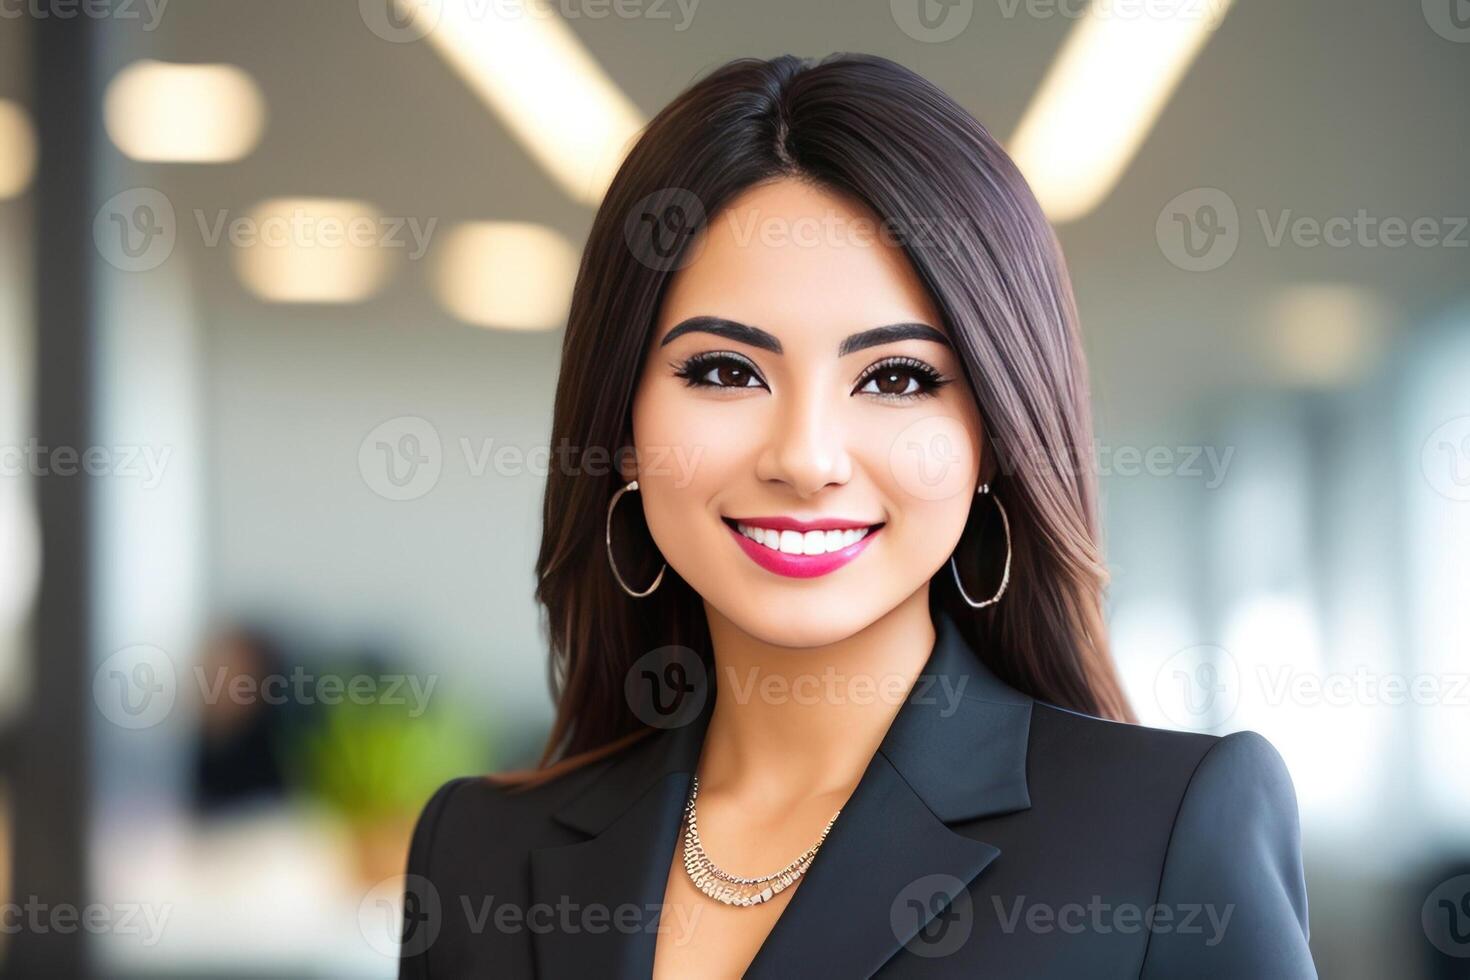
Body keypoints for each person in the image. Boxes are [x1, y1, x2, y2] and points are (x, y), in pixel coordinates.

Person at [398, 53, 1316, 979]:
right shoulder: (476, 850)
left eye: (897, 378)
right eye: (724, 371)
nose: (805, 457)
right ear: (623, 428)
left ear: (994, 438)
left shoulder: (1163, 834)